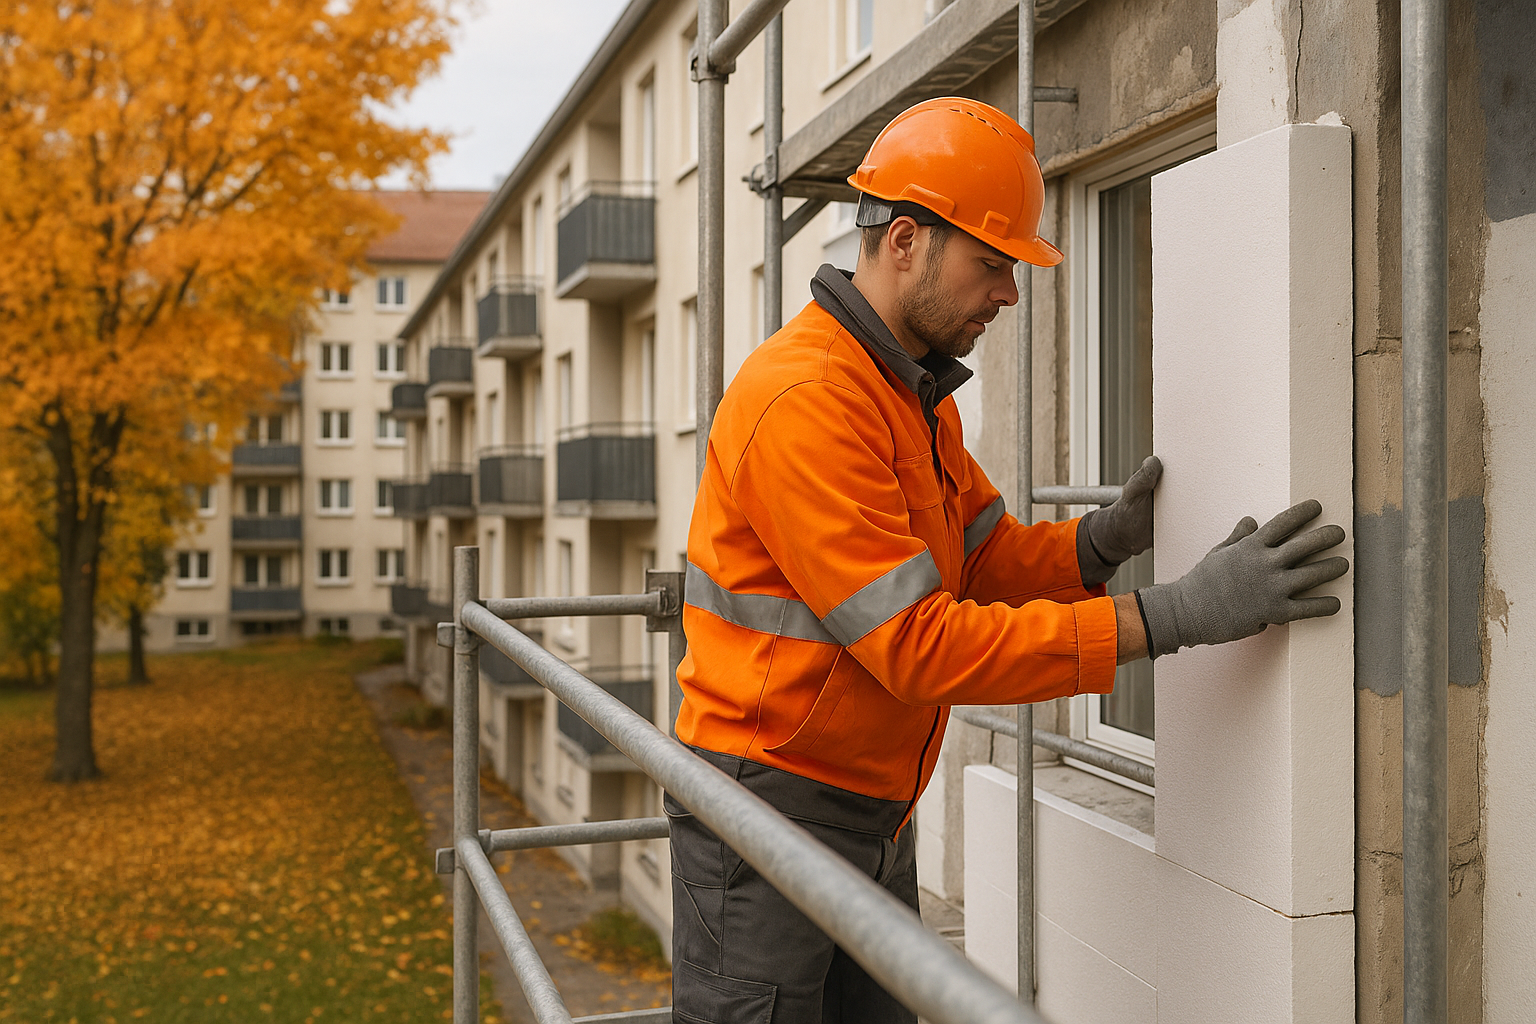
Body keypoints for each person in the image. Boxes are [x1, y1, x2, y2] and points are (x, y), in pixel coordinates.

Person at [666, 97, 1349, 1024]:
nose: (1010, 293)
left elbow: (981, 552)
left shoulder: (910, 390)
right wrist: (1174, 617)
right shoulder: (807, 400)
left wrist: (1094, 545)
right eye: (993, 263)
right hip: (767, 813)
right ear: (904, 240)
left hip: (870, 807)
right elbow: (917, 646)